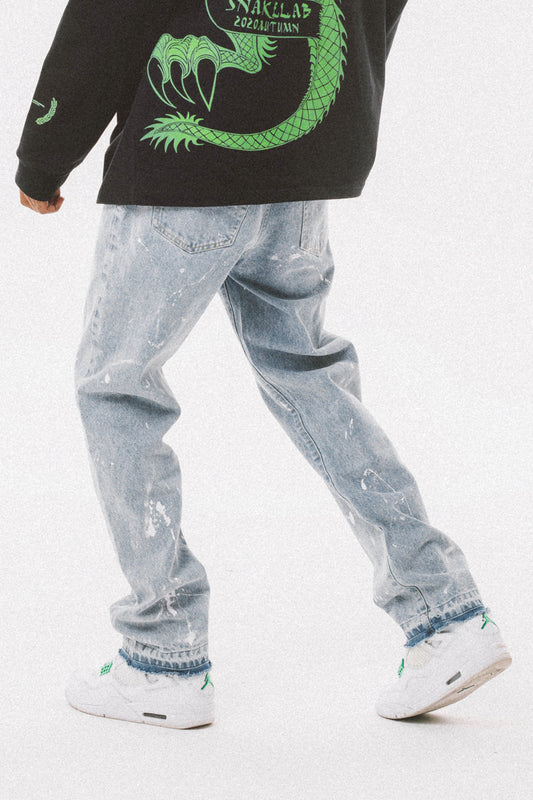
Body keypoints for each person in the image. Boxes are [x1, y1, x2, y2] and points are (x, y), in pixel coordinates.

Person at [16, 0, 511, 729]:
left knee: (117, 387)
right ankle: (447, 616)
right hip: (302, 168)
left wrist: (45, 153)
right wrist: (336, 121)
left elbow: (107, 18)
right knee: (309, 375)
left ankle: (161, 657)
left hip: (183, 168)